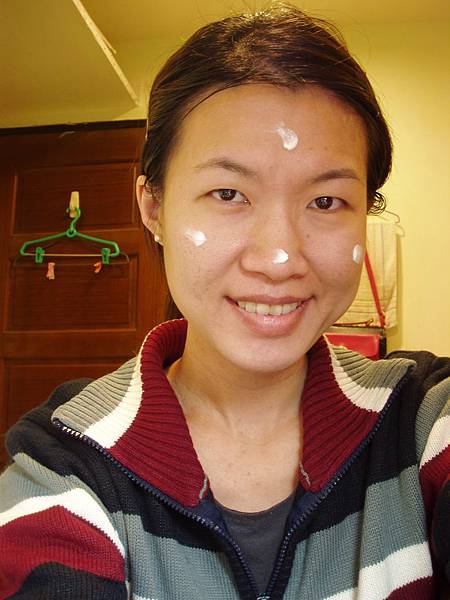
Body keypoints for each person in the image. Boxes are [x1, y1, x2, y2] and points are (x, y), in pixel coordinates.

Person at [0, 4, 448, 599]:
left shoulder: (423, 419)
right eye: (228, 193)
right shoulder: (65, 460)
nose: (279, 258)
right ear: (153, 207)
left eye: (326, 202)